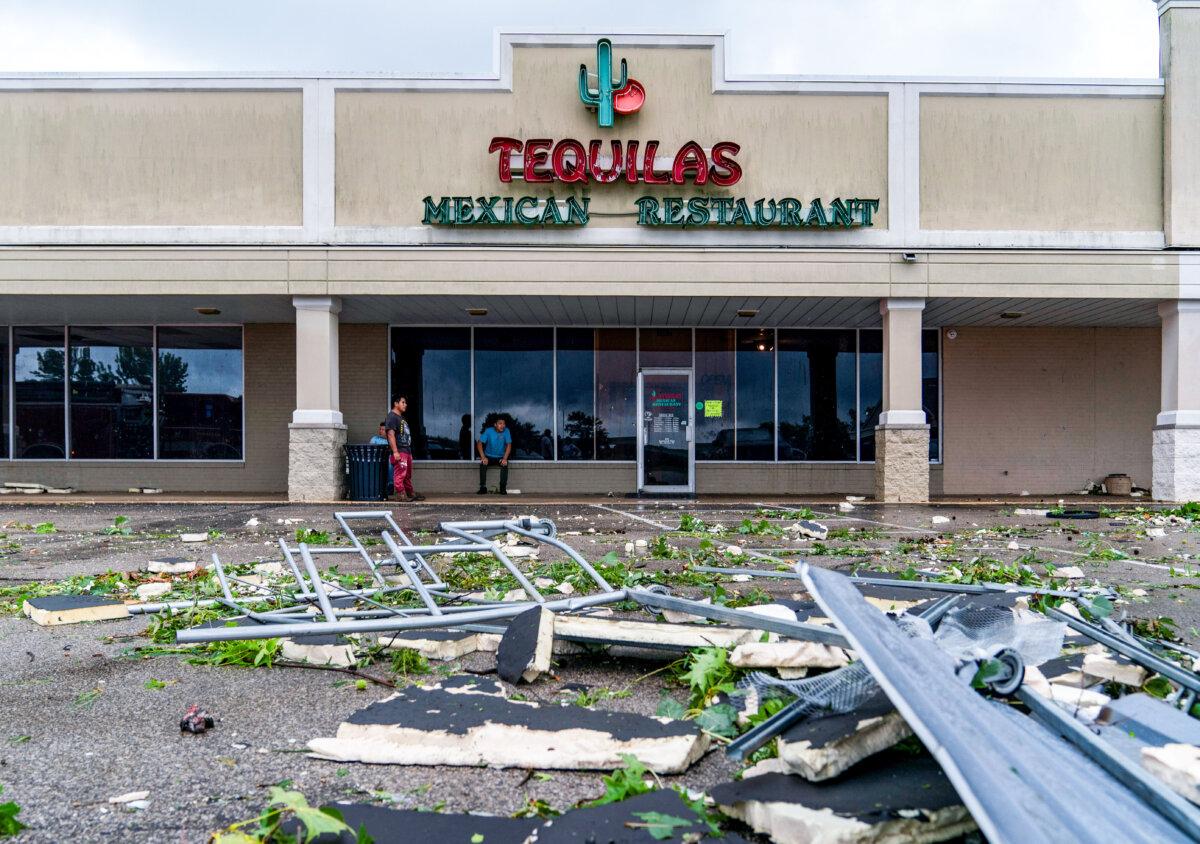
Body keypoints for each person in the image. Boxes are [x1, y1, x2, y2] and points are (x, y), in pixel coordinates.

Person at [385, 395, 425, 502]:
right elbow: (390, 434)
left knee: (407, 474)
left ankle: (409, 493)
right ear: (396, 403)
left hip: (407, 451)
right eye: (403, 402)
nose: (405, 405)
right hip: (400, 451)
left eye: (405, 403)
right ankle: (400, 494)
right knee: (400, 474)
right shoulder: (392, 417)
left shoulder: (401, 418)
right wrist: (395, 452)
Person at [477, 416, 513, 494]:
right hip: (489, 457)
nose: (502, 426)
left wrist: (505, 458)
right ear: (495, 424)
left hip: (500, 457)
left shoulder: (506, 431)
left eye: (504, 424)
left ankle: (502, 488)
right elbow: (479, 443)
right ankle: (483, 487)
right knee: (483, 464)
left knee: (505, 464)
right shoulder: (488, 431)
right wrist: (483, 457)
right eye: (500, 423)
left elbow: (509, 445)